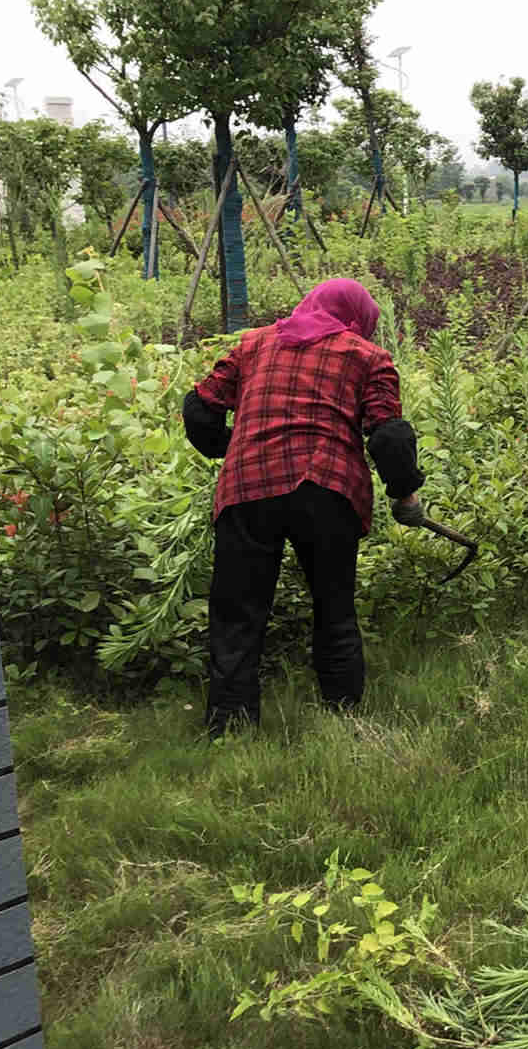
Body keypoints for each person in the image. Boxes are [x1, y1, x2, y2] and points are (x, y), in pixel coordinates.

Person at [181, 279, 426, 737]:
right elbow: (389, 436)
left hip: (248, 485)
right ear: (358, 320)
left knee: (237, 613)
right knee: (333, 606)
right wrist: (405, 495)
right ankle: (343, 716)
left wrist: (230, 448)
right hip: (327, 487)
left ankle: (231, 729)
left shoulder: (252, 345)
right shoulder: (366, 356)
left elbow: (198, 408)